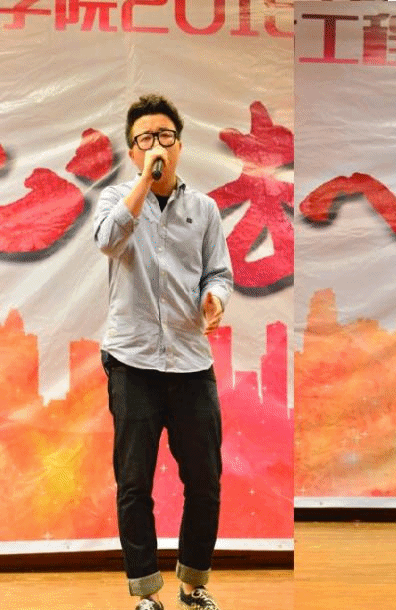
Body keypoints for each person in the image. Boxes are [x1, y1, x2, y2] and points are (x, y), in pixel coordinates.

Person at [94, 94, 233, 610]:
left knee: (205, 480)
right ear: (133, 152)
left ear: (180, 145)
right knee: (134, 483)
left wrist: (214, 297)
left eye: (166, 136)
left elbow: (219, 271)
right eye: (146, 138)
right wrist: (142, 187)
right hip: (132, 361)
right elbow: (108, 241)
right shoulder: (115, 198)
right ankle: (146, 593)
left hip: (191, 360)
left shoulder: (205, 209)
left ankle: (193, 585)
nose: (158, 145)